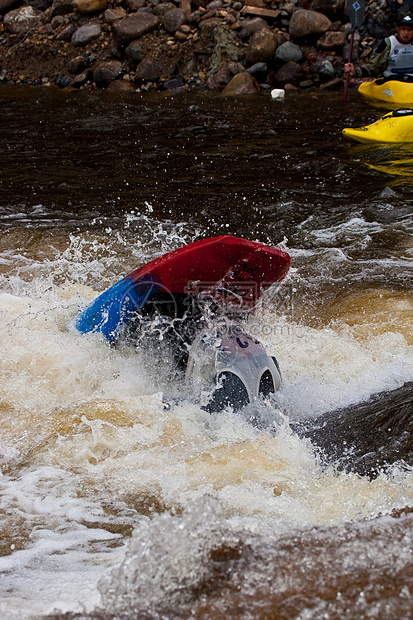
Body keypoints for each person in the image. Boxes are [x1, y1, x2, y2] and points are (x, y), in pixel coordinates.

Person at [345, 13, 413, 81]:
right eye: (403, 29)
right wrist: (356, 72)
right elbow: (374, 67)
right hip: (392, 80)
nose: (406, 33)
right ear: (398, 29)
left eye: (409, 30)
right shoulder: (388, 43)